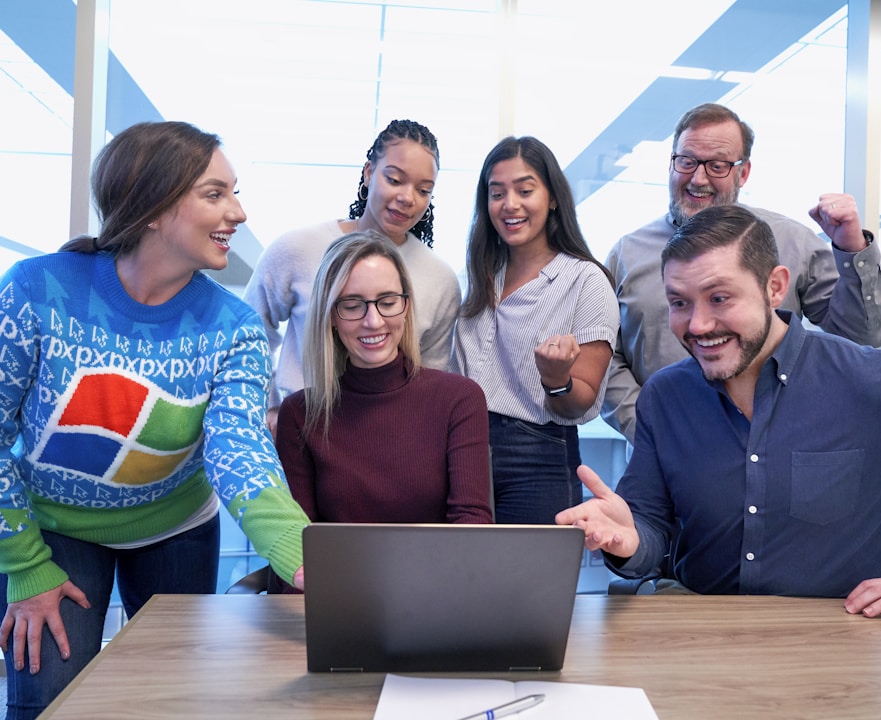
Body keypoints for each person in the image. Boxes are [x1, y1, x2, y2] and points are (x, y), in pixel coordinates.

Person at [0, 121, 310, 719]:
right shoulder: (32, 292)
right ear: (156, 207)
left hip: (175, 526)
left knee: (171, 701)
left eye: (234, 192)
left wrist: (299, 549)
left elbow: (239, 448)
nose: (238, 211)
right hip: (51, 530)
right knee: (48, 700)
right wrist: (25, 566)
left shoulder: (234, 329)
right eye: (216, 194)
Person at [557, 204, 881, 622]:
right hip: (697, 640)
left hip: (839, 652)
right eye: (679, 303)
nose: (696, 326)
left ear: (774, 286)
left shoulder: (878, 385)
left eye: (719, 298)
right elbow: (650, 528)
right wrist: (629, 538)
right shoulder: (665, 396)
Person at [601, 102, 881, 444]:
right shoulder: (626, 254)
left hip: (775, 453)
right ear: (671, 163)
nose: (698, 179)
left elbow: (865, 335)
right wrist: (648, 426)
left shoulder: (791, 242)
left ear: (743, 173)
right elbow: (604, 358)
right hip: (662, 463)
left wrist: (851, 249)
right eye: (687, 161)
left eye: (717, 165)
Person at [268, 232, 492, 590]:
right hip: (340, 601)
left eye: (387, 301)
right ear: (331, 317)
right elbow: (299, 542)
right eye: (352, 304)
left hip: (435, 596)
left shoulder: (458, 399)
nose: (373, 321)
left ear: (405, 305)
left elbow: (472, 524)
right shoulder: (301, 413)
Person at [243, 119, 461, 432]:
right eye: (395, 179)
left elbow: (428, 378)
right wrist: (271, 406)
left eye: (424, 189)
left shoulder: (440, 280)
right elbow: (250, 332)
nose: (408, 198)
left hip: (385, 437)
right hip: (300, 430)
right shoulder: (297, 248)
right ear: (369, 172)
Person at [453, 136, 619, 525]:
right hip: (462, 448)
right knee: (457, 581)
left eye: (525, 190)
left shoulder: (585, 280)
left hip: (537, 454)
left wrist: (556, 379)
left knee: (529, 584)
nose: (510, 204)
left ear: (553, 198)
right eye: (497, 193)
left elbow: (580, 403)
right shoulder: (479, 276)